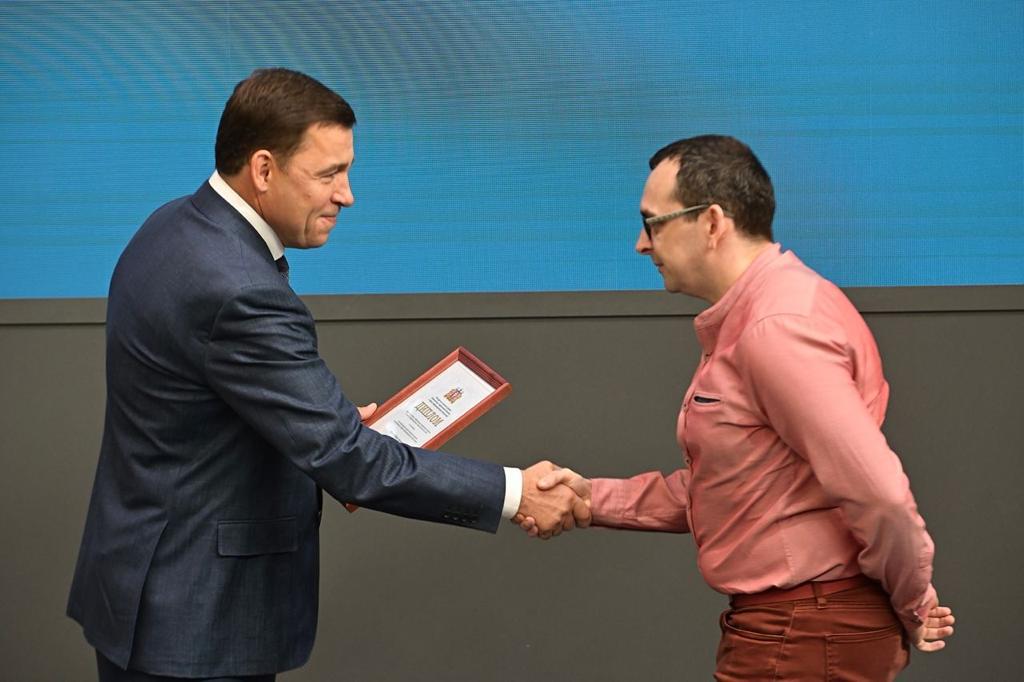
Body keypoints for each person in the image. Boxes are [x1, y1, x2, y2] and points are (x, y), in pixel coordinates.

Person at [67, 68, 586, 682]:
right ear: (264, 169)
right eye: (329, 174)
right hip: (195, 624)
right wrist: (515, 492)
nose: (347, 195)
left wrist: (320, 421)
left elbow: (203, 404)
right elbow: (349, 460)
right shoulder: (240, 288)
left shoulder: (172, 226)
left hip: (142, 594)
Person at [516, 135, 955, 680]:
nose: (641, 245)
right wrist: (590, 497)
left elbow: (881, 495)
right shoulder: (771, 311)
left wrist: (913, 602)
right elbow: (734, 485)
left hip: (804, 633)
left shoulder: (777, 329)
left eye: (652, 223)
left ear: (712, 223)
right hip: (801, 629)